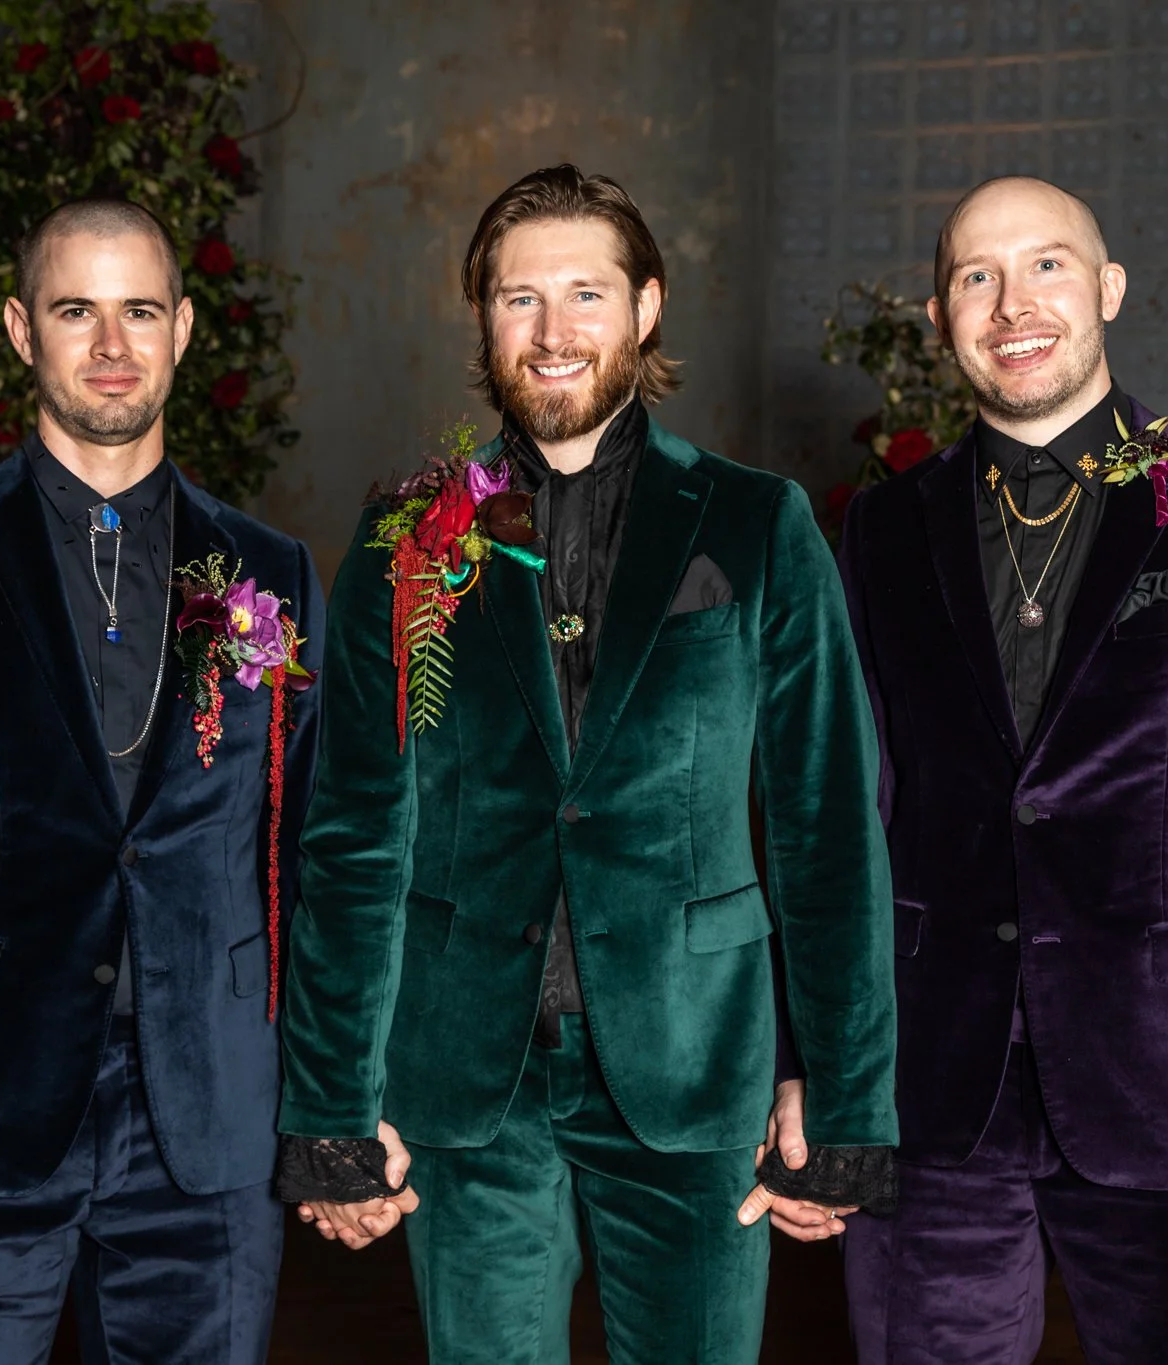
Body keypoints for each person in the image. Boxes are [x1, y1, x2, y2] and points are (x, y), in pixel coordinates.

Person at [273, 164, 898, 1363]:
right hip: (468, 1077)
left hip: (693, 1068)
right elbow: (353, 835)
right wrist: (330, 1109)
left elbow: (824, 826)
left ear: (645, 307)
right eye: (519, 298)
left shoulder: (756, 522)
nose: (552, 332)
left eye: (585, 294)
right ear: (482, 319)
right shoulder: (407, 531)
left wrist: (845, 1095)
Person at [835, 174, 1168, 1364]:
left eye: (1046, 265)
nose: (1011, 304)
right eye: (975, 277)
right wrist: (817, 1071)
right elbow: (840, 824)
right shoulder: (879, 529)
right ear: (940, 316)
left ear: (1108, 288)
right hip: (931, 1091)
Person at [0, 198, 322, 1365]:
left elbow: (303, 860)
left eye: (140, 311)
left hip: (208, 1120)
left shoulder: (270, 571)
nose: (113, 345)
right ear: (20, 329)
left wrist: (329, 1104)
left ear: (184, 328)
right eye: (77, 311)